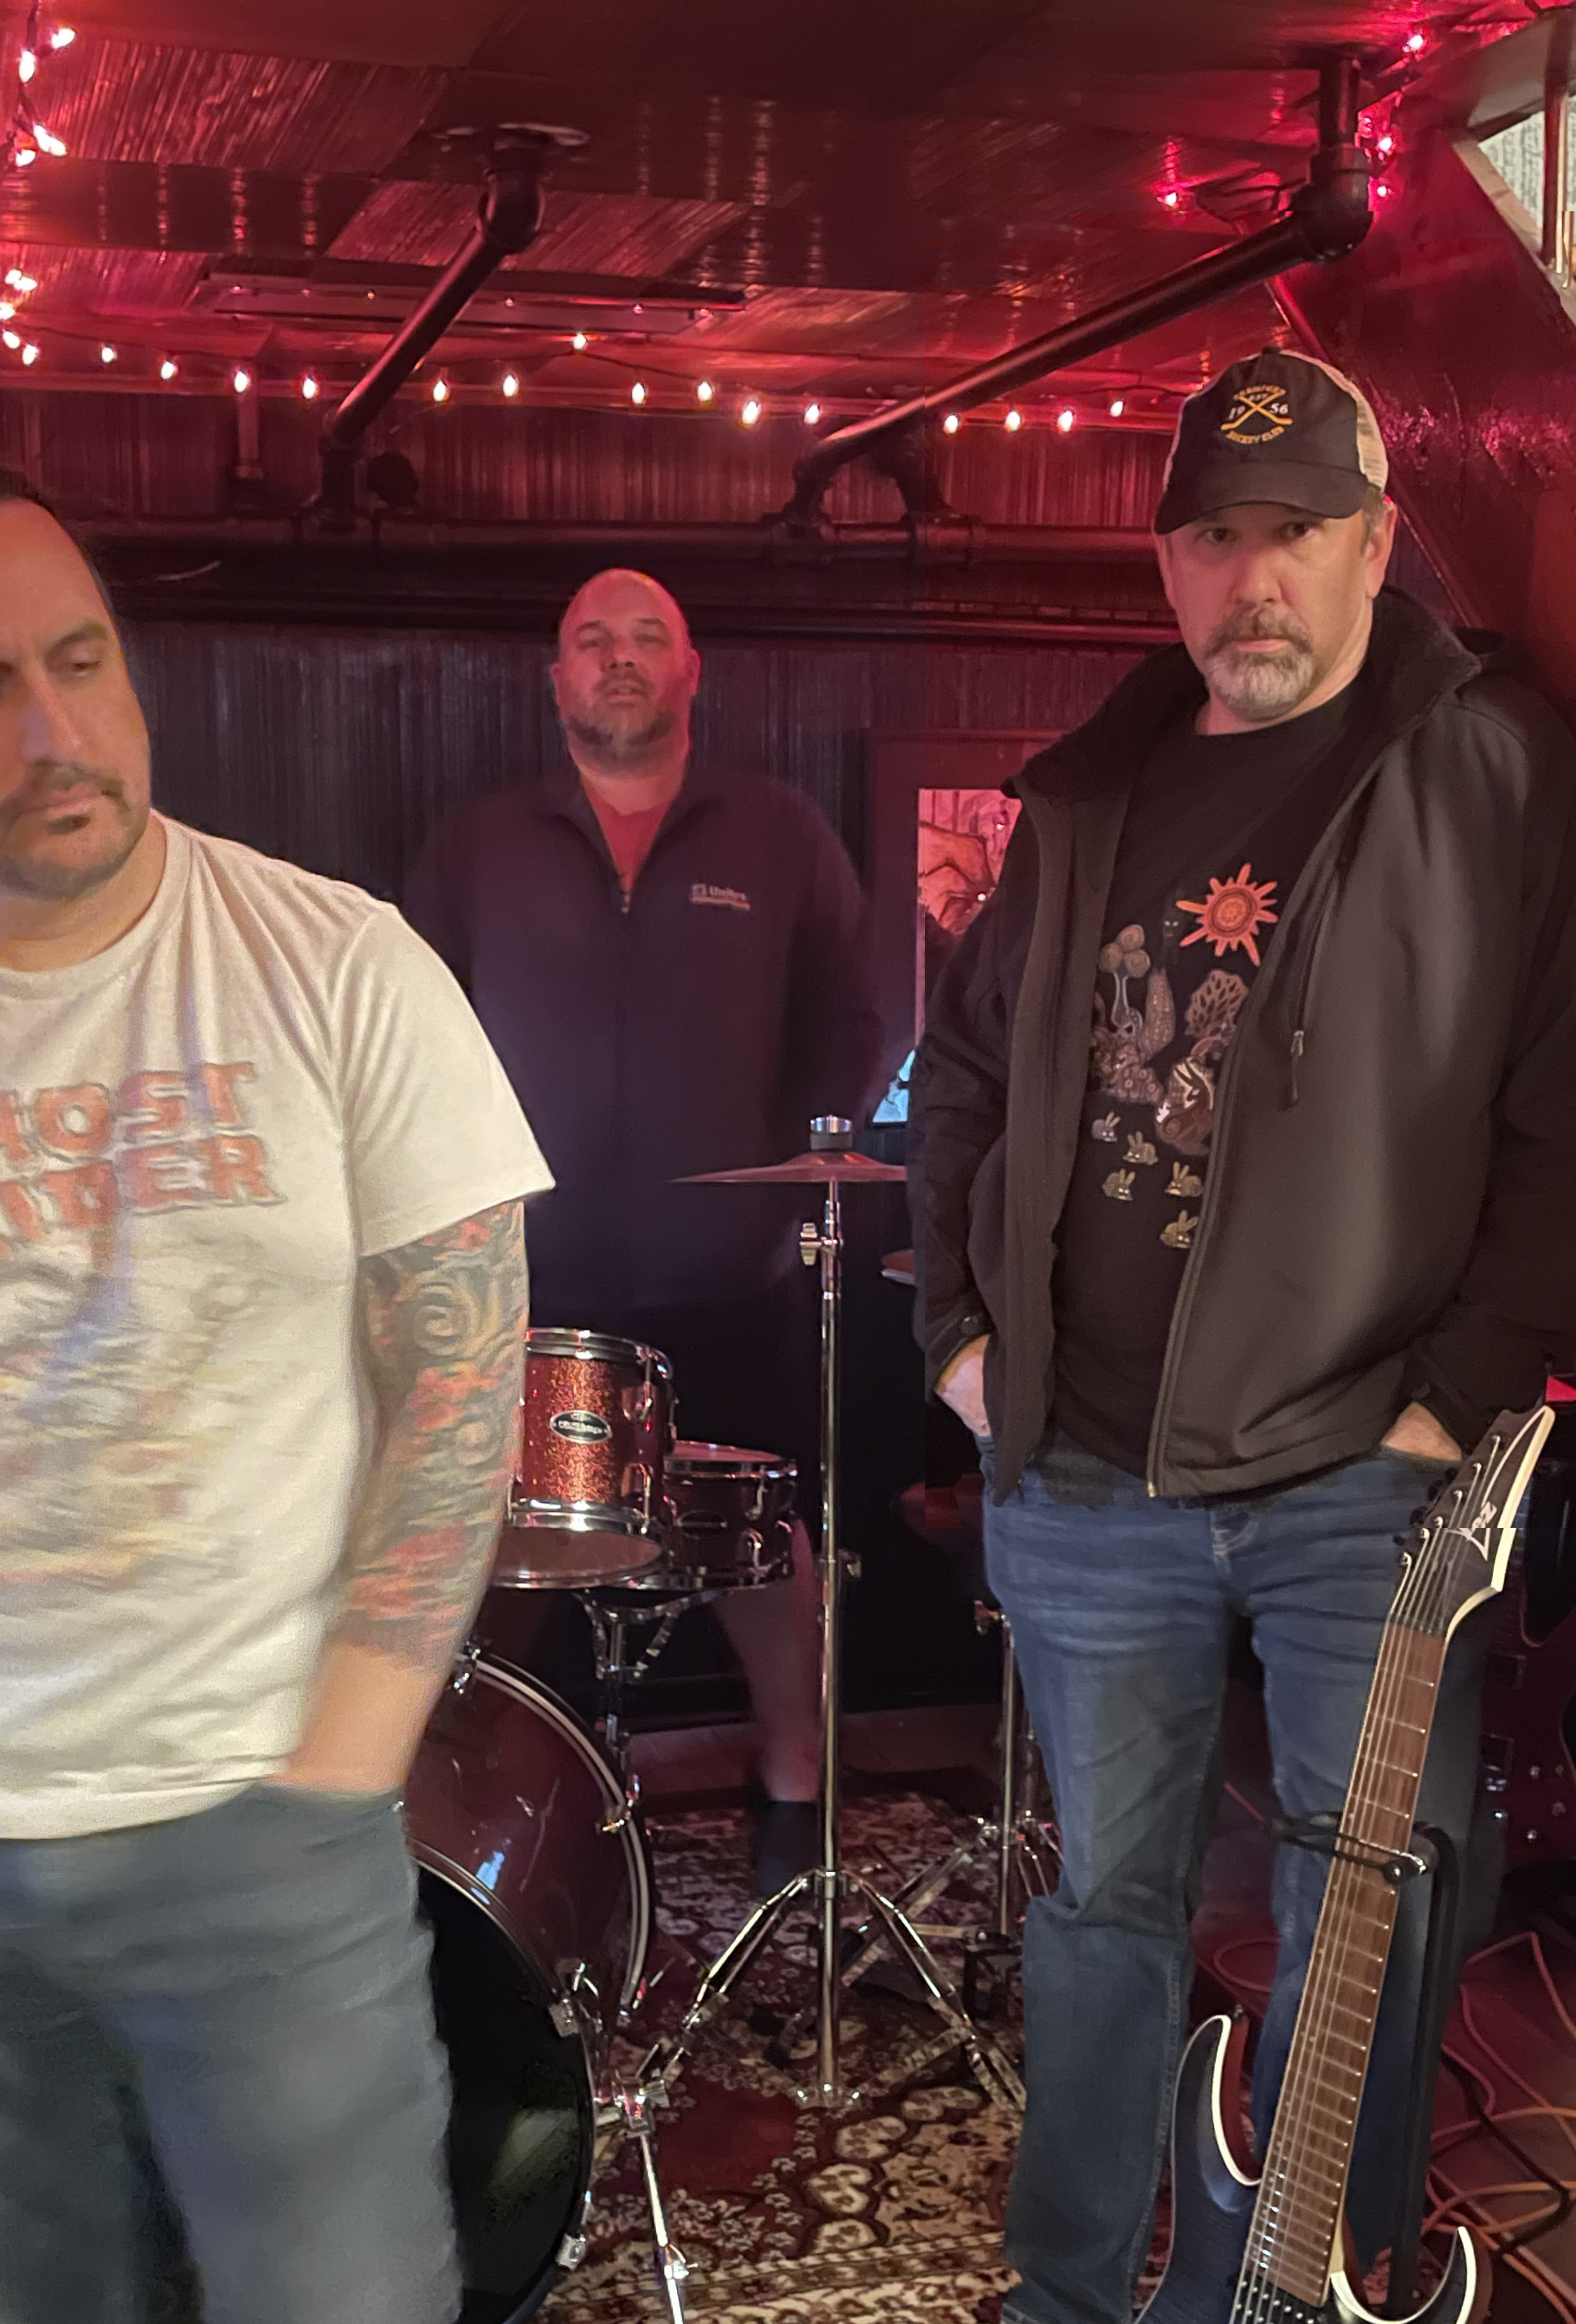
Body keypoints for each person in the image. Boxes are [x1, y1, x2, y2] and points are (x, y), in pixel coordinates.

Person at [0, 458, 552, 2324]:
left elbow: (461, 1381)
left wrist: (341, 1771)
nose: (55, 731)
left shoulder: (341, 965)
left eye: (80, 661)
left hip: (266, 1817)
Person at [914, 351, 1576, 2324]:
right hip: (1082, 1466)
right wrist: (957, 1334)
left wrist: (1455, 1402)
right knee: (1102, 1908)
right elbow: (961, 1074)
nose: (1255, 573)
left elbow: (1561, 1115)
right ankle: (1070, 2292)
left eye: (1300, 531)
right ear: (1168, 561)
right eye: (1217, 533)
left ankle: (1304, 2287)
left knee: (1366, 1906)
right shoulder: (1084, 791)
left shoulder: (1498, 770)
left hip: (1364, 1465)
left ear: (1378, 544)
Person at [406, 568, 885, 1895]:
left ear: (690, 672)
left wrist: (777, 1184)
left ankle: (794, 1773)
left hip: (724, 1271)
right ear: (557, 678)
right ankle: (485, 1798)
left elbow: (854, 1018)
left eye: (647, 637)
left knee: (762, 1539)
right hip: (525, 1272)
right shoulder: (479, 845)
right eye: (592, 639)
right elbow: (410, 1033)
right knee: (498, 1543)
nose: (618, 657)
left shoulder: (779, 835)